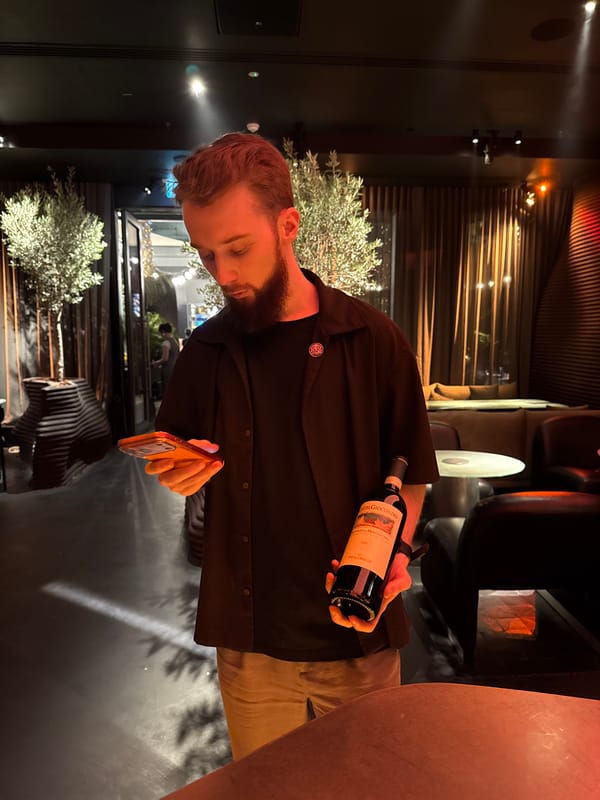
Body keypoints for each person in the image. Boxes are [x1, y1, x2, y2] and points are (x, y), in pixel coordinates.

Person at [145, 133, 439, 760]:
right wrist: (178, 471)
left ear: (288, 225)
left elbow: (410, 471)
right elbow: (177, 452)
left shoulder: (372, 339)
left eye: (238, 249)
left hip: (356, 636)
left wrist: (397, 551)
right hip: (253, 646)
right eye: (205, 255)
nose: (222, 274)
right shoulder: (208, 351)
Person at [151, 322, 180, 396]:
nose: (161, 335)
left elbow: (165, 358)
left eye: (161, 333)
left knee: (167, 390)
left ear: (163, 332)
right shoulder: (175, 341)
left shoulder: (165, 343)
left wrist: (155, 363)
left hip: (168, 370)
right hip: (175, 368)